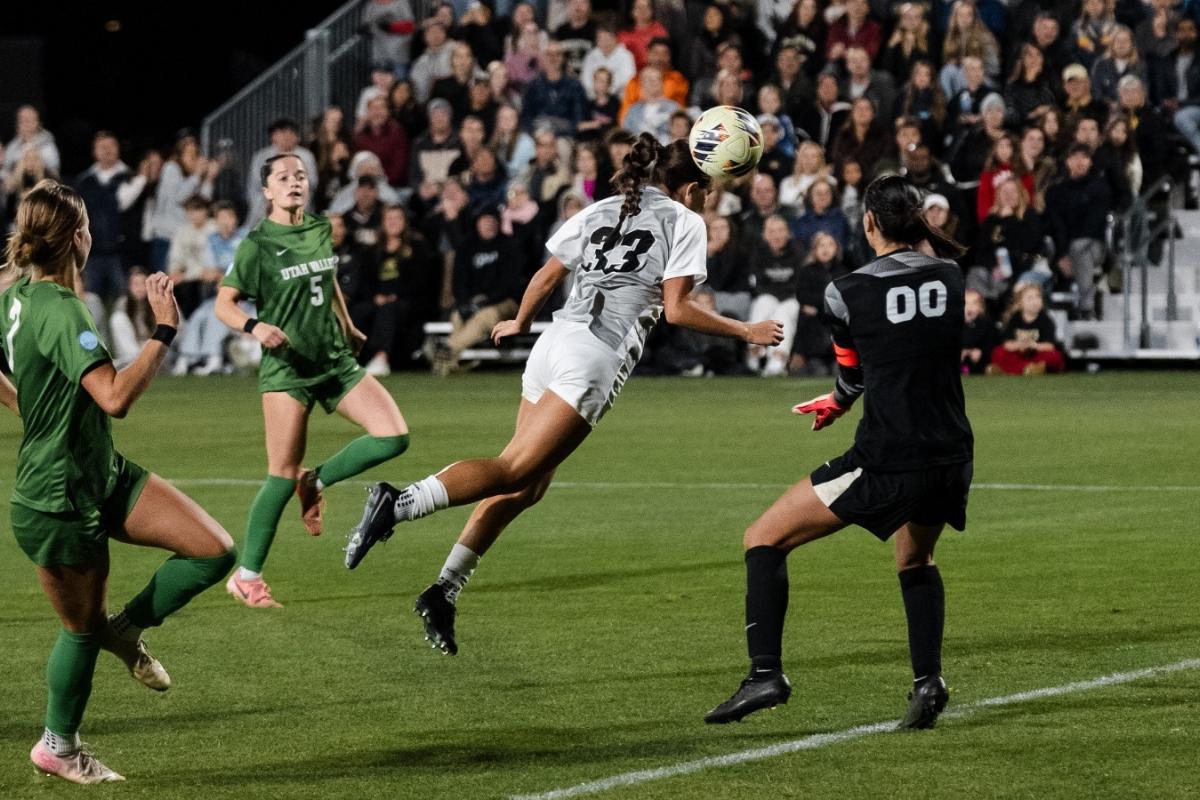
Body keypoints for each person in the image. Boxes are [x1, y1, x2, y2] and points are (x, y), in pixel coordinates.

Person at [342, 134, 785, 655]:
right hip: (593, 357)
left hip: (552, 343)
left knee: (526, 485)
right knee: (510, 471)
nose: (708, 201)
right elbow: (679, 309)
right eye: (707, 191)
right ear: (689, 188)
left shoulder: (603, 207)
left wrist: (521, 320)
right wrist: (746, 331)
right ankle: (397, 503)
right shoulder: (684, 222)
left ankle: (443, 589)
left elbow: (549, 272)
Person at [704, 174, 972, 729]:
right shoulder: (951, 275)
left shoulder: (843, 291)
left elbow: (854, 375)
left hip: (887, 459)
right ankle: (928, 682)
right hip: (950, 455)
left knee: (763, 538)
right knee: (915, 557)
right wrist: (846, 398)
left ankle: (765, 674)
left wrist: (838, 402)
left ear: (868, 222)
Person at [0, 180, 236, 784]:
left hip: (101, 473)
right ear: (79, 236)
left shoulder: (17, 295)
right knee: (79, 632)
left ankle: (125, 631)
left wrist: (30, 404)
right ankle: (59, 747)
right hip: (57, 497)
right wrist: (163, 332)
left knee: (214, 551)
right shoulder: (60, 308)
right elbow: (114, 397)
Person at [214, 154, 411, 607]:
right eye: (283, 178)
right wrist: (254, 326)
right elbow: (224, 303)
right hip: (288, 370)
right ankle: (246, 577)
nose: (294, 183)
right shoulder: (257, 244)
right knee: (280, 477)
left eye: (300, 175)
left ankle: (317, 481)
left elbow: (328, 278)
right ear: (266, 191)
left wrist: (347, 324)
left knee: (394, 436)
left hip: (334, 359)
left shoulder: (322, 227)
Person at [988, 283, 1065, 374]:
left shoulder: (1046, 320)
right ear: (1020, 303)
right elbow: (1007, 344)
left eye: (1038, 297)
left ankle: (1031, 368)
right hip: (1019, 353)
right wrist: (1020, 345)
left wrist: (1034, 346)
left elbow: (1050, 346)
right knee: (998, 352)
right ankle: (1027, 369)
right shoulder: (1014, 319)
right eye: (1030, 298)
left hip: (1037, 354)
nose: (1035, 301)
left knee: (1054, 356)